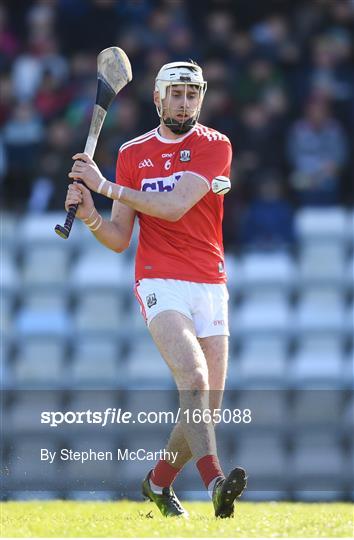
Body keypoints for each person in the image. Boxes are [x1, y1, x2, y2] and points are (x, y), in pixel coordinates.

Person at [65, 60, 247, 519]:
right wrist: (89, 212)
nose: (184, 104)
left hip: (210, 282)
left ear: (200, 98)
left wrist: (103, 186)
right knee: (195, 379)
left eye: (192, 95)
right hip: (159, 281)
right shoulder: (133, 153)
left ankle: (157, 483)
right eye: (176, 94)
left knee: (205, 409)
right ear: (158, 98)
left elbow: (173, 205)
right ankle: (216, 484)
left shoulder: (214, 145)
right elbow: (119, 239)